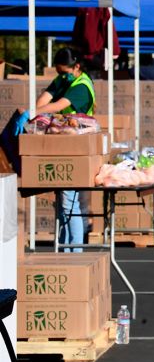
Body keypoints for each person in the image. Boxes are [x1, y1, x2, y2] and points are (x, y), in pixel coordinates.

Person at [34, 48, 95, 252]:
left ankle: (74, 252)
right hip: (61, 145)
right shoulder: (63, 79)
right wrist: (36, 111)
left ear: (77, 67)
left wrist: (31, 113)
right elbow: (44, 99)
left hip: (76, 149)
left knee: (69, 203)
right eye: (59, 72)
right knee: (62, 204)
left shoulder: (82, 86)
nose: (62, 76)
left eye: (65, 72)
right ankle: (64, 250)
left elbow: (59, 105)